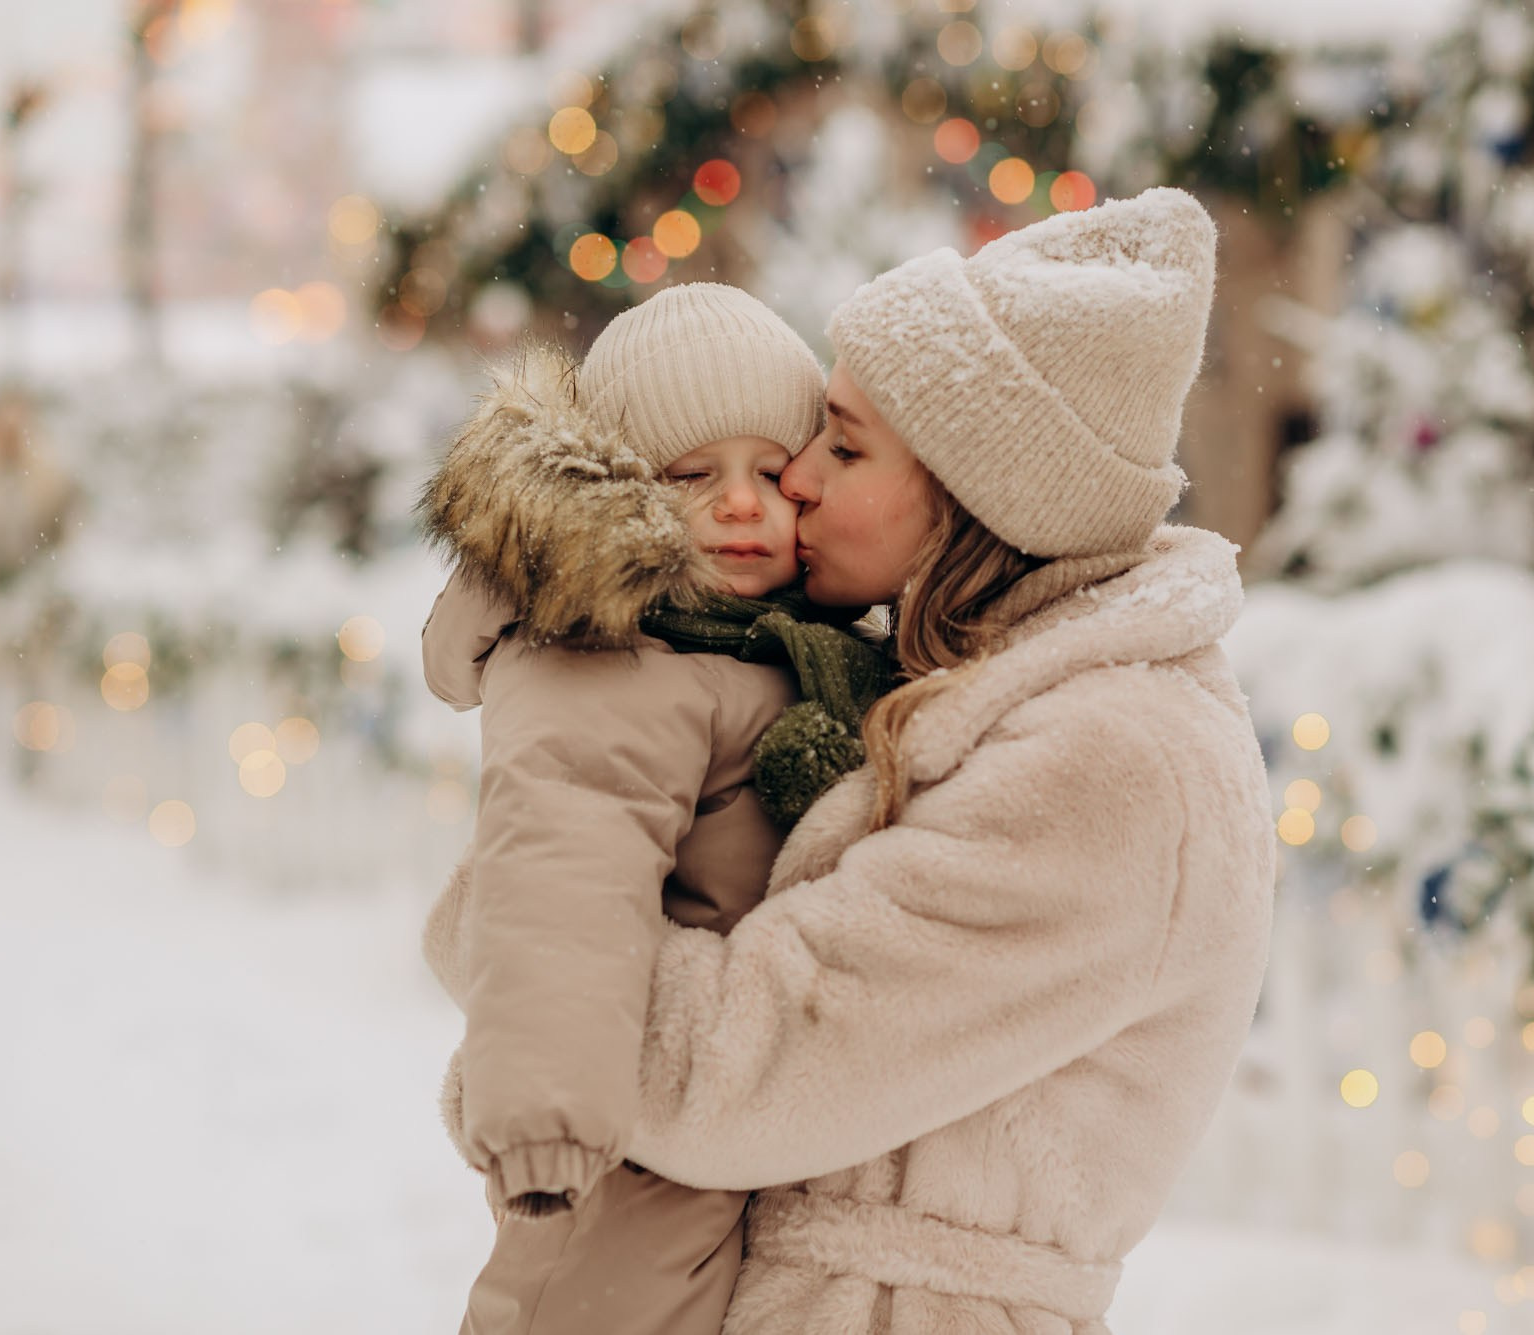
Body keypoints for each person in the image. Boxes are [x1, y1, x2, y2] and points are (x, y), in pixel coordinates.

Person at [429, 186, 1278, 1332]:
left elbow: (731, 1079)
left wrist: (509, 916)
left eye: (839, 442)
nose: (794, 484)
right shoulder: (937, 683)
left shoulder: (1114, 764)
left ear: (972, 486)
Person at [416, 283, 889, 1335]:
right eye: (692, 476)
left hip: (735, 1110)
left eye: (772, 473)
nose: (739, 503)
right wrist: (547, 1113)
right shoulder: (611, 660)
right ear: (615, 494)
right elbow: (560, 873)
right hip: (621, 1148)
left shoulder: (773, 644)